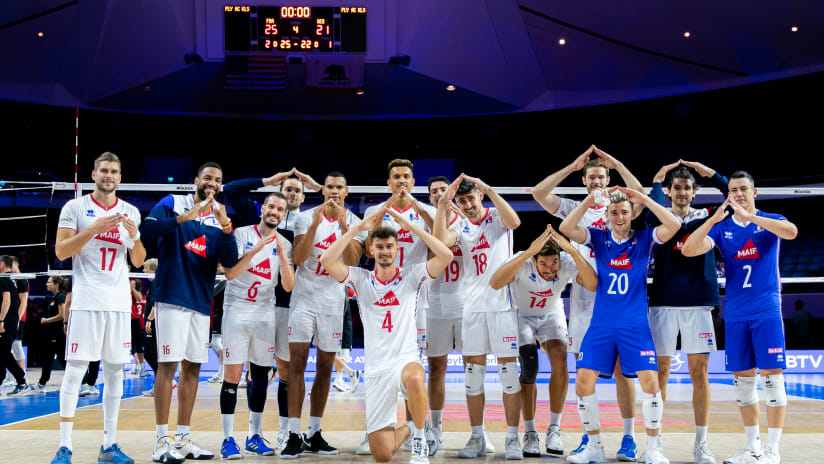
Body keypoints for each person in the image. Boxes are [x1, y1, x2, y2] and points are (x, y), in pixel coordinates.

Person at [532, 145, 646, 458]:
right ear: (584, 180)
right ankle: (588, 439)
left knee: (624, 372)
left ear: (608, 178)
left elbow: (643, 197)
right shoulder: (573, 207)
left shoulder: (620, 206)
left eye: (601, 176)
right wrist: (571, 166)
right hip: (585, 300)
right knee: (586, 373)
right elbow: (539, 194)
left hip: (620, 296)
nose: (596, 181)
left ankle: (628, 438)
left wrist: (620, 163)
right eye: (591, 177)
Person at [682, 171, 798, 464]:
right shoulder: (723, 229)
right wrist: (712, 220)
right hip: (735, 313)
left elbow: (792, 232)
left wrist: (751, 216)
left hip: (766, 311)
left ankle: (773, 450)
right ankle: (752, 447)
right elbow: (689, 249)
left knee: (772, 381)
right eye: (733, 190)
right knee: (743, 383)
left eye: (744, 189)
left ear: (754, 192)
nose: (739, 194)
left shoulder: (771, 220)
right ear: (728, 195)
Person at [320, 206, 452, 464]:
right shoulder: (360, 279)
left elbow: (445, 255)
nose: (384, 251)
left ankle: (420, 443)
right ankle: (416, 427)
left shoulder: (411, 276)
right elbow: (327, 260)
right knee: (382, 453)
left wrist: (411, 226)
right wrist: (356, 229)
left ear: (396, 249)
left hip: (405, 358)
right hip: (376, 369)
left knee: (415, 376)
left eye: (389, 246)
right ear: (371, 251)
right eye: (379, 247)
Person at [560, 186, 679, 464]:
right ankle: (595, 447)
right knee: (583, 383)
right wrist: (590, 199)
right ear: (607, 214)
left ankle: (653, 448)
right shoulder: (599, 238)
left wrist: (645, 199)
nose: (619, 216)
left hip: (634, 325)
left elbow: (674, 224)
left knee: (651, 383)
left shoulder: (645, 239)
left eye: (624, 211)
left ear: (633, 213)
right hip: (601, 324)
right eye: (614, 212)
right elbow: (567, 227)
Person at [140, 161, 238, 464]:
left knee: (193, 368)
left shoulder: (219, 216)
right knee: (167, 367)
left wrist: (225, 227)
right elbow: (148, 229)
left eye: (218, 180)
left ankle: (182, 440)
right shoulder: (173, 202)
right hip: (171, 297)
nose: (212, 183)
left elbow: (230, 261)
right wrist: (185, 218)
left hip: (200, 302)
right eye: (207, 177)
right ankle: (160, 442)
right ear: (196, 180)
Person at [51, 151, 146, 464]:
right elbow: (62, 251)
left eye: (114, 171)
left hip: (118, 303)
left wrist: (134, 237)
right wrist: (94, 228)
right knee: (76, 369)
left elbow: (139, 261)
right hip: (88, 300)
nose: (109, 176)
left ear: (120, 176)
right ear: (94, 174)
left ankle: (109, 445)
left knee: (116, 371)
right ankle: (64, 446)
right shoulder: (75, 207)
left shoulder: (131, 210)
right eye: (104, 170)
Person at [223, 167, 320, 450]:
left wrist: (315, 185)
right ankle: (250, 433)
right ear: (266, 204)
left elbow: (334, 200)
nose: (289, 195)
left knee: (286, 372)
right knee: (257, 372)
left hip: (287, 306)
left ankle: (284, 431)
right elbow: (231, 190)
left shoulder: (303, 222)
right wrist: (267, 181)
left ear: (303, 197)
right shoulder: (255, 222)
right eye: (285, 190)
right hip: (256, 306)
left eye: (296, 191)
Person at [434, 174, 524, 460]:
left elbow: (515, 223)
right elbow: (439, 241)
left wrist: (487, 188)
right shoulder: (459, 224)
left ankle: (512, 439)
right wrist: (443, 206)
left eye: (471, 198)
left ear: (479, 196)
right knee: (473, 379)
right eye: (462, 200)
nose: (468, 204)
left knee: (510, 378)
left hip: (501, 307)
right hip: (471, 308)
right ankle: (476, 437)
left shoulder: (498, 216)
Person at [646, 160, 729, 464]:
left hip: (698, 302)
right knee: (661, 374)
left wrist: (712, 173)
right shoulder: (659, 218)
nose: (682, 192)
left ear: (695, 192)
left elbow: (731, 194)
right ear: (669, 192)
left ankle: (701, 443)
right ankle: (655, 444)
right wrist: (657, 178)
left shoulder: (709, 216)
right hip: (664, 301)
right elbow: (649, 207)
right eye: (676, 187)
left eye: (687, 188)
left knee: (700, 374)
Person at [489, 225, 597, 457]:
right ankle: (529, 432)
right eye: (544, 264)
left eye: (554, 262)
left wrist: (574, 251)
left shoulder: (566, 261)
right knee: (530, 366)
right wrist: (528, 252)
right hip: (522, 315)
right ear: (535, 260)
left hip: (551, 313)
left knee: (560, 363)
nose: (550, 269)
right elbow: (495, 283)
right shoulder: (523, 259)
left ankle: (554, 428)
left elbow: (592, 284)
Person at [281, 170, 367, 459]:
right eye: (329, 186)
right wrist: (317, 223)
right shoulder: (305, 218)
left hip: (333, 302)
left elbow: (354, 261)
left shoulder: (355, 222)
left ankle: (314, 432)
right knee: (296, 364)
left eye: (338, 187)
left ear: (346, 191)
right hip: (304, 300)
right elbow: (299, 258)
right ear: (323, 189)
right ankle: (293, 433)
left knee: (326, 367)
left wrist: (344, 224)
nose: (333, 191)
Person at [358, 158, 436, 454]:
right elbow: (367, 248)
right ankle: (381, 427)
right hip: (381, 294)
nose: (401, 181)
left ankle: (419, 430)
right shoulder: (373, 211)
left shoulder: (426, 210)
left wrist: (414, 209)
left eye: (406, 176)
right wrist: (387, 210)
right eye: (396, 177)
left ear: (413, 181)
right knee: (385, 362)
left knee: (412, 371)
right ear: (388, 182)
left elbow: (439, 242)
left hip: (415, 293)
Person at [219, 192, 295, 459]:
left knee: (261, 377)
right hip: (237, 311)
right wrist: (255, 250)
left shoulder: (285, 242)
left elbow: (288, 286)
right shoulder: (240, 234)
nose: (275, 212)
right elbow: (230, 273)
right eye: (271, 206)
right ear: (262, 208)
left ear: (284, 214)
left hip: (265, 314)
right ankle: (227, 439)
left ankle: (255, 435)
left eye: (280, 209)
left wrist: (284, 257)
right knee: (232, 376)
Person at [418, 176, 476, 454]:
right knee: (437, 370)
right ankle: (437, 431)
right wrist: (439, 214)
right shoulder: (426, 225)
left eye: (444, 190)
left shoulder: (470, 221)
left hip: (467, 304)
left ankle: (478, 433)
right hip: (437, 304)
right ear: (430, 198)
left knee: (473, 369)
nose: (440, 194)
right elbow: (439, 245)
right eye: (435, 192)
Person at [0, 255, 30, 395]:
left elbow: (7, 300)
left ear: (2, 264)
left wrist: (1, 320)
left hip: (7, 322)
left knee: (6, 353)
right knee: (2, 352)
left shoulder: (4, 278)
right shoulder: (10, 279)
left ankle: (22, 381)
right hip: (10, 321)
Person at [141, 258, 161, 397]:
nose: (143, 271)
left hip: (152, 324)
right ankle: (159, 385)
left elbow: (156, 303)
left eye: (146, 268)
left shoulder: (156, 283)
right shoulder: (154, 283)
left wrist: (149, 319)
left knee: (150, 353)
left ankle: (165, 380)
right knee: (153, 353)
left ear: (153, 270)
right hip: (152, 322)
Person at [129, 279, 148, 377]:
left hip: (136, 321)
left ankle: (141, 366)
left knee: (139, 346)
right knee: (131, 345)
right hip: (128, 320)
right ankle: (136, 365)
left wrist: (132, 288)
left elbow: (139, 298)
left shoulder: (137, 294)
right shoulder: (125, 292)